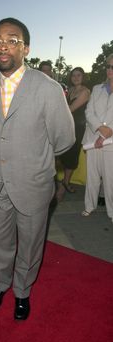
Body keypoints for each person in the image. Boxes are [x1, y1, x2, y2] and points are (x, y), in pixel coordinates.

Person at [0, 17, 75, 321]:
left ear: (26, 48)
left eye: (11, 39)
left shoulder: (47, 88)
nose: (2, 45)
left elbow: (64, 139)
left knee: (31, 245)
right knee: (0, 243)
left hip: (33, 185)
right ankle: (2, 283)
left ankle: (22, 291)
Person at [81, 54, 113, 222]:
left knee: (110, 179)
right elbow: (88, 112)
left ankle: (112, 212)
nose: (110, 70)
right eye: (108, 66)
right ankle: (89, 206)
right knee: (92, 177)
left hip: (110, 142)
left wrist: (107, 133)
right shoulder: (96, 88)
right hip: (92, 140)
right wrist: (100, 129)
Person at [56, 67, 90, 201]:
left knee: (71, 155)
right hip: (66, 124)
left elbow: (70, 109)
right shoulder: (69, 90)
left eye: (79, 75)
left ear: (83, 77)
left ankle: (62, 187)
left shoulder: (85, 91)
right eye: (73, 75)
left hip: (77, 127)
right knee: (61, 154)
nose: (76, 78)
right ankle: (64, 182)